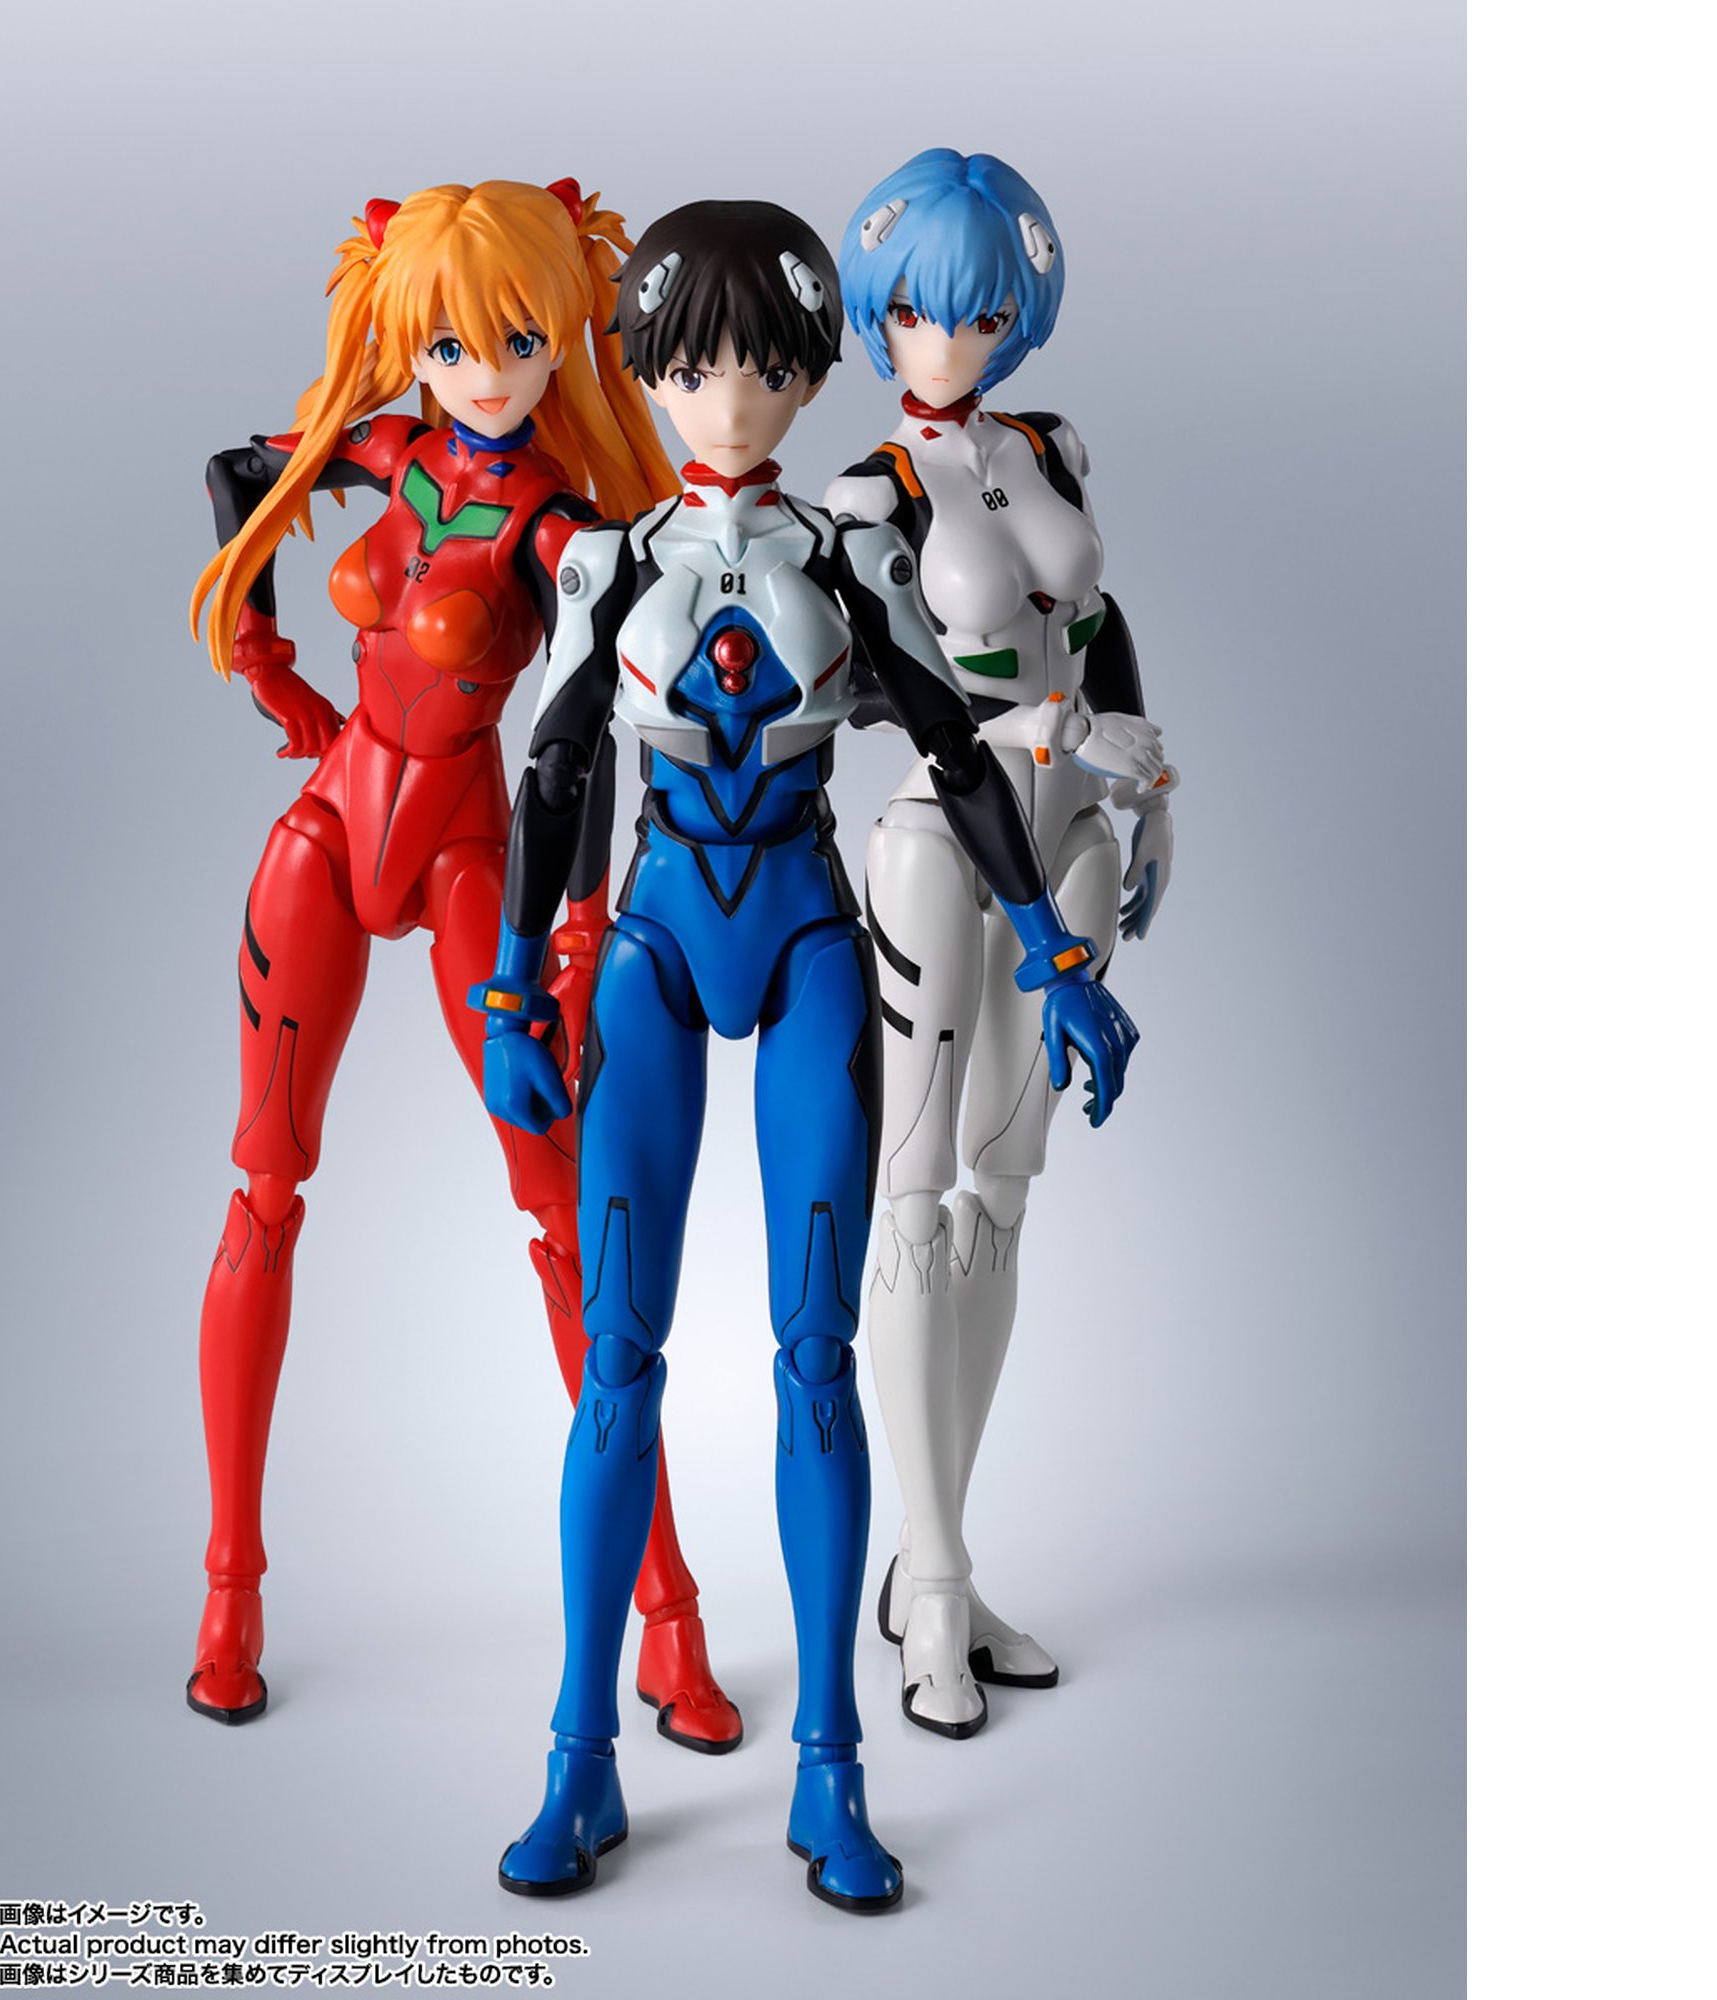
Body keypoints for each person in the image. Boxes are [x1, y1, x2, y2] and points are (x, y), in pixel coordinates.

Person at [472, 199, 1136, 1909]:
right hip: (651, 951)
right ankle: (580, 1756)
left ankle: (829, 1767)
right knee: (620, 1364)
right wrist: (510, 989)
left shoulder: (852, 557)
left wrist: (1057, 953)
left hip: (810, 942)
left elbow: (958, 757)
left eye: (763, 368)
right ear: (648, 368)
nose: (729, 401)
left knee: (815, 1357)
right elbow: (552, 774)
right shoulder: (605, 564)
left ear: (807, 369)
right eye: (694, 369)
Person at [184, 180, 737, 1752]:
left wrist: (574, 933)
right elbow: (243, 471)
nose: (484, 372)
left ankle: (670, 1615)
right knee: (264, 1192)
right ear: (406, 339)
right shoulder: (390, 454)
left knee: (562, 1217)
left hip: (470, 859)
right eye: (449, 344)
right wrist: (268, 664)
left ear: (564, 333)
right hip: (327, 824)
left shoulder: (565, 530)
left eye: (515, 339)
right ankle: (228, 1592)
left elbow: (589, 738)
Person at [827, 148, 1178, 1736]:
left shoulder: (1049, 446)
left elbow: (1098, 629)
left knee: (1004, 1195)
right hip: (942, 845)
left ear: (1017, 310)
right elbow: (916, 709)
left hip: (1080, 830)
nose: (945, 340)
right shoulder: (866, 498)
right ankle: (935, 1584)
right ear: (878, 311)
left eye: (976, 312)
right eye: (915, 311)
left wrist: (1149, 787)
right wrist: (1069, 740)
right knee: (912, 1202)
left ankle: (942, 1566)